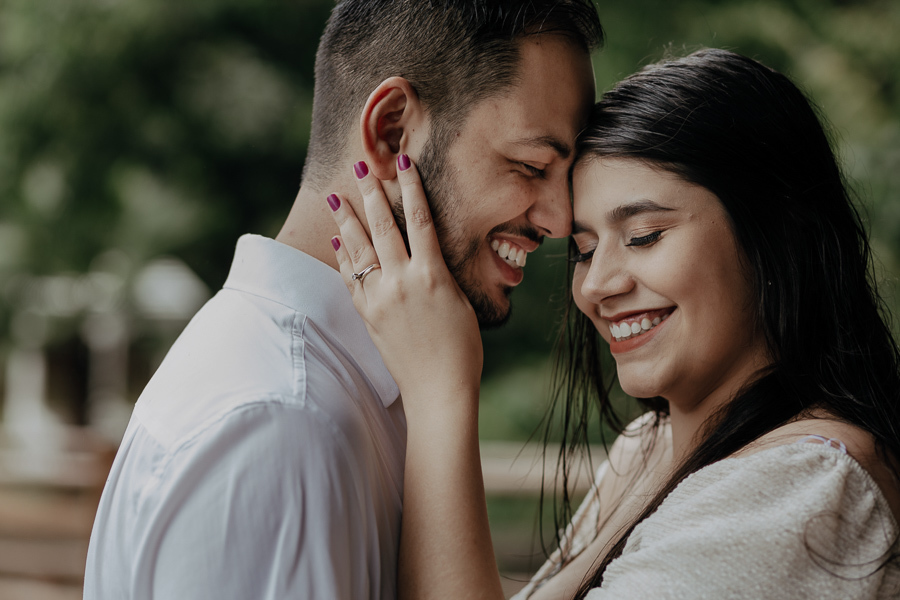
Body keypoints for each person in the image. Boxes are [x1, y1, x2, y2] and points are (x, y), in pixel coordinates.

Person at [329, 48, 900, 599]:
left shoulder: (800, 488)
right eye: (582, 248)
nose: (597, 285)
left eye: (644, 237)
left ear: (776, 234)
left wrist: (439, 393)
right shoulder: (649, 447)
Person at [83, 2, 602, 598]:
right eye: (531, 165)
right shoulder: (283, 428)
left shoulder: (339, 390)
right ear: (391, 132)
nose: (561, 219)